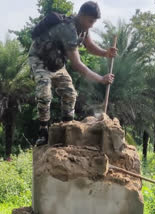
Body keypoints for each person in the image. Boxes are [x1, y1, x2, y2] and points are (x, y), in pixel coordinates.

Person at [28, 1, 117, 146]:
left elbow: (89, 46)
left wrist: (105, 53)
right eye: (90, 21)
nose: (92, 25)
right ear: (81, 15)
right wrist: (101, 79)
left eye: (93, 22)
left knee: (70, 94)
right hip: (40, 61)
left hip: (56, 63)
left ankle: (67, 127)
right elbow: (77, 64)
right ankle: (43, 131)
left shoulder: (83, 28)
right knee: (44, 94)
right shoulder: (68, 29)